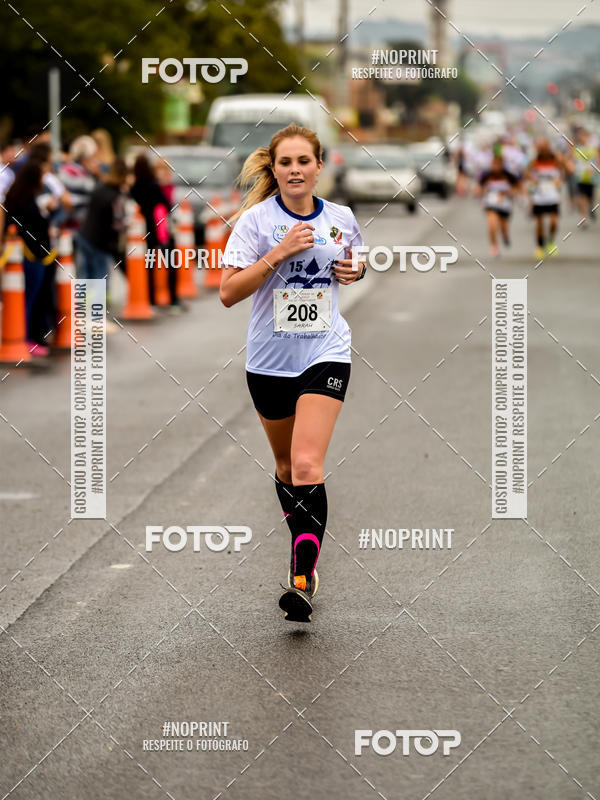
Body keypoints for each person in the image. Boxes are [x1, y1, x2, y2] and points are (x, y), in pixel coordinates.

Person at [220, 123, 367, 623]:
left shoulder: (341, 217)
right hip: (269, 362)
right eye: (286, 162)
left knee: (307, 465)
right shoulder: (256, 222)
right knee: (285, 468)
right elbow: (229, 292)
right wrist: (278, 254)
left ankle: (301, 579)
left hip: (326, 352)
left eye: (305, 161)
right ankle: (302, 551)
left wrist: (355, 270)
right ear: (274, 169)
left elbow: (354, 260)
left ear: (319, 167)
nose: (296, 170)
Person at [5, 161, 57, 356]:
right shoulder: (28, 201)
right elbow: (34, 227)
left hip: (19, 256)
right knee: (30, 299)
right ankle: (25, 338)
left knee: (21, 299)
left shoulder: (15, 197)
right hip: (32, 255)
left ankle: (21, 336)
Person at [78, 158, 128, 327]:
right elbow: (118, 223)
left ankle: (81, 314)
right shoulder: (116, 196)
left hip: (85, 236)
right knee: (100, 278)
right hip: (101, 242)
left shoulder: (99, 188)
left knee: (86, 276)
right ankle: (96, 317)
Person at [130, 154, 180, 312]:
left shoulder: (134, 187)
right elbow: (167, 205)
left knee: (150, 265)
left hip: (143, 232)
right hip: (161, 229)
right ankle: (172, 298)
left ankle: (151, 299)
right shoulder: (154, 185)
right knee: (170, 262)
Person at [526, 139, 562, 259]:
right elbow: (527, 173)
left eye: (544, 147)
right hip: (539, 196)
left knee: (554, 222)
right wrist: (532, 180)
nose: (542, 149)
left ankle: (551, 242)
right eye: (540, 147)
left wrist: (559, 180)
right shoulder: (535, 160)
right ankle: (540, 246)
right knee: (540, 222)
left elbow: (563, 171)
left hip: (552, 195)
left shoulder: (555, 159)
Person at [477, 154, 518, 257]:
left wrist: (507, 194)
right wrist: (480, 192)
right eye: (493, 165)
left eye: (497, 165)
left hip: (504, 205)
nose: (495, 167)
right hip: (491, 203)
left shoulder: (508, 175)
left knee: (503, 227)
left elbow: (515, 188)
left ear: (501, 165)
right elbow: (479, 187)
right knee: (492, 224)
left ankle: (505, 236)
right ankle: (494, 247)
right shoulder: (486, 175)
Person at [569, 128, 598, 227]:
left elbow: (598, 160)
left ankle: (591, 208)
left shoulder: (593, 148)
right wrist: (572, 168)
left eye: (584, 136)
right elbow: (571, 160)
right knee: (581, 197)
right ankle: (583, 218)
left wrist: (595, 169)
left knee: (590, 198)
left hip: (591, 178)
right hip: (580, 177)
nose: (582, 138)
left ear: (588, 137)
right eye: (581, 136)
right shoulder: (577, 149)